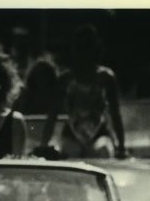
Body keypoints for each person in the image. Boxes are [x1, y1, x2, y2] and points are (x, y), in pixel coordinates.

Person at [38, 24, 126, 159]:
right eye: (81, 48)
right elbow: (53, 115)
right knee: (70, 152)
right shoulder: (65, 79)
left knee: (102, 151)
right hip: (72, 134)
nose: (84, 54)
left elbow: (115, 114)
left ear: (95, 49)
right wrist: (43, 146)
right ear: (74, 50)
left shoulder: (106, 77)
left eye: (88, 48)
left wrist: (121, 146)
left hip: (99, 133)